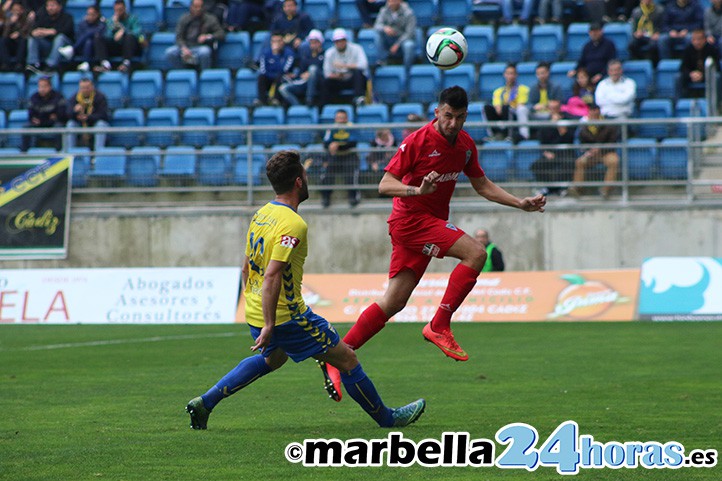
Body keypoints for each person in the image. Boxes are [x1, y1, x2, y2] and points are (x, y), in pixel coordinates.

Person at [319, 86, 546, 404]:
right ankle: (439, 325)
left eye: (459, 118)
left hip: (425, 224)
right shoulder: (417, 141)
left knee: (393, 302)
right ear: (437, 112)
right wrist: (417, 191)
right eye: (447, 116)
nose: (452, 123)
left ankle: (338, 356)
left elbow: (482, 185)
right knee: (475, 253)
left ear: (466, 117)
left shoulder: (465, 145)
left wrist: (519, 203)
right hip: (412, 221)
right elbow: (385, 184)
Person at [185, 150, 426, 430]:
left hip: (255, 308)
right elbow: (273, 274)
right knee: (347, 359)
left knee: (273, 359)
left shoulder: (262, 213)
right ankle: (388, 419)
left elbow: (246, 265)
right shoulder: (293, 224)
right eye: (306, 174)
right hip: (287, 317)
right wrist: (270, 324)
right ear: (299, 181)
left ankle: (205, 403)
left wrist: (257, 311)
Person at [570, 103, 619, 199]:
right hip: (591, 155)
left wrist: (600, 149)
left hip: (606, 153)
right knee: (580, 162)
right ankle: (577, 189)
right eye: (592, 113)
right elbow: (582, 143)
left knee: (614, 161)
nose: (594, 116)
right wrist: (589, 150)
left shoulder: (609, 126)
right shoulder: (583, 128)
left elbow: (613, 142)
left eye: (596, 114)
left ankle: (606, 190)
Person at [532, 99, 576, 196]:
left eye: (555, 108)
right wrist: (546, 152)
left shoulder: (567, 120)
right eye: (551, 108)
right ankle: (549, 188)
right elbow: (542, 141)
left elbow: (570, 139)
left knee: (567, 163)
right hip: (550, 152)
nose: (553, 110)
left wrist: (560, 126)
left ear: (559, 108)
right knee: (536, 165)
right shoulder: (545, 123)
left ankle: (561, 188)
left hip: (565, 151)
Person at [165, 0, 225, 70]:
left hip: (200, 47)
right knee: (170, 52)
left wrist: (207, 37)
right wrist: (183, 48)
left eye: (200, 7)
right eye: (195, 7)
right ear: (191, 7)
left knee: (205, 52)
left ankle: (204, 73)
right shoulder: (184, 19)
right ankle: (183, 72)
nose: (198, 9)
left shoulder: (210, 19)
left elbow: (221, 34)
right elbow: (179, 37)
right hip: (186, 46)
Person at [320, 109, 360, 208]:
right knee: (327, 174)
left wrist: (338, 145)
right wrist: (330, 146)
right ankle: (326, 197)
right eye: (339, 118)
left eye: (343, 118)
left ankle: (353, 197)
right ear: (335, 119)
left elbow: (353, 143)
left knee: (351, 175)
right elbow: (325, 143)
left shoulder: (351, 127)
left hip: (349, 155)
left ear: (346, 118)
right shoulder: (331, 128)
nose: (341, 120)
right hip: (335, 155)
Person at [483, 62, 530, 141]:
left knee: (507, 108)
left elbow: (520, 105)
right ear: (504, 75)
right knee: (486, 108)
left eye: (512, 74)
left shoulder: (523, 89)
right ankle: (493, 134)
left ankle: (508, 135)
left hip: (514, 115)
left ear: (516, 75)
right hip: (502, 113)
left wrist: (508, 105)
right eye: (508, 73)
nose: (510, 76)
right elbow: (497, 106)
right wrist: (499, 108)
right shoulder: (498, 91)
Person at [321, 28, 369, 106]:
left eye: (342, 40)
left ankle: (358, 99)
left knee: (358, 73)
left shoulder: (357, 48)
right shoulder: (329, 53)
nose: (340, 43)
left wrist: (344, 66)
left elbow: (363, 65)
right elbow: (327, 73)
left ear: (346, 40)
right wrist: (338, 76)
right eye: (337, 41)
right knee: (326, 82)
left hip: (352, 78)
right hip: (338, 79)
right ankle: (325, 105)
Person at [94, 0, 143, 73]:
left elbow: (137, 32)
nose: (118, 12)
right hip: (115, 46)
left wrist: (123, 30)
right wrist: (114, 27)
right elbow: (108, 35)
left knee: (129, 37)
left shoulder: (133, 19)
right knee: (98, 38)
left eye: (120, 10)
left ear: (125, 9)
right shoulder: (111, 20)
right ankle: (105, 64)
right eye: (116, 10)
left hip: (130, 47)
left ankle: (126, 64)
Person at [278, 28, 324, 106]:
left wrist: (311, 73)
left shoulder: (325, 54)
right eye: (311, 42)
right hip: (304, 82)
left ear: (320, 43)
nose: (313, 45)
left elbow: (325, 71)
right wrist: (297, 75)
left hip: (319, 82)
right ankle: (298, 106)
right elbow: (301, 72)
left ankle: (309, 99)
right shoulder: (306, 56)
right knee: (283, 88)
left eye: (315, 42)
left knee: (313, 69)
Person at [25, 0, 74, 73]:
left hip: (65, 48)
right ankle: (33, 64)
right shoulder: (42, 17)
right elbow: (34, 30)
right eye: (48, 6)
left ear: (59, 7)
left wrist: (52, 31)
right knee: (32, 38)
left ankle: (51, 65)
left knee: (60, 38)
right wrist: (35, 32)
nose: (50, 8)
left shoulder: (67, 17)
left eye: (53, 5)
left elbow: (66, 31)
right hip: (48, 45)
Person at [22, 76, 66, 151]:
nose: (42, 89)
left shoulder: (58, 97)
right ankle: (24, 151)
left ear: (50, 87)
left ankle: (59, 151)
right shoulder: (34, 98)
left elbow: (61, 115)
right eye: (40, 86)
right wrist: (35, 119)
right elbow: (31, 114)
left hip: (53, 123)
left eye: (45, 86)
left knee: (59, 127)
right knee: (26, 127)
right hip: (38, 123)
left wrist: (46, 118)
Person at [64, 77, 110, 151]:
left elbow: (103, 114)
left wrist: (88, 117)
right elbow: (67, 114)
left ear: (92, 87)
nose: (85, 90)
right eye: (82, 88)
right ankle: (70, 152)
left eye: (87, 87)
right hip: (79, 123)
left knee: (101, 125)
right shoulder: (74, 98)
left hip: (94, 123)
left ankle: (98, 153)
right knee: (70, 124)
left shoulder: (100, 97)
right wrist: (75, 111)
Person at [57, 5, 105, 72]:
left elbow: (99, 36)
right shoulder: (83, 24)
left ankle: (73, 49)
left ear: (97, 15)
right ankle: (83, 61)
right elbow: (78, 36)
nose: (90, 16)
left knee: (89, 39)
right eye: (88, 14)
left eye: (92, 14)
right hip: (81, 48)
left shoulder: (101, 24)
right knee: (87, 39)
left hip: (95, 50)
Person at [373, 0, 417, 70]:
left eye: (393, 1)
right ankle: (382, 61)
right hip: (389, 39)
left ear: (399, 1)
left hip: (403, 40)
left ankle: (407, 69)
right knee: (378, 35)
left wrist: (397, 44)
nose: (391, 3)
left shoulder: (408, 12)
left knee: (409, 45)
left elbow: (410, 33)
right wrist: (385, 28)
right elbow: (377, 25)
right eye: (389, 1)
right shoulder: (384, 10)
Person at [255, 31, 294, 106]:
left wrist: (276, 55)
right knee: (261, 77)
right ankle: (262, 100)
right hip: (269, 77)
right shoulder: (265, 53)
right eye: (273, 41)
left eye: (278, 41)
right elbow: (263, 70)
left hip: (282, 78)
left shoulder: (289, 53)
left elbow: (284, 70)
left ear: (283, 41)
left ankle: (276, 100)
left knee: (280, 77)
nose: (276, 43)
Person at [680, 28, 720, 97]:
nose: (697, 42)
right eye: (694, 40)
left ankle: (716, 100)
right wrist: (691, 74)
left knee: (717, 77)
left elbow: (717, 67)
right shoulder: (688, 50)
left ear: (704, 40)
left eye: (699, 40)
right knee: (679, 77)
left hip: (707, 76)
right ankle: (681, 100)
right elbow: (683, 67)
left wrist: (703, 75)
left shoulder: (712, 49)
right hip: (692, 76)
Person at [629, 0, 665, 65]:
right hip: (642, 35)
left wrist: (658, 33)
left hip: (653, 35)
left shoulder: (660, 10)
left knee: (653, 46)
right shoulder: (636, 12)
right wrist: (636, 32)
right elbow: (634, 27)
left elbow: (663, 25)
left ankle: (653, 64)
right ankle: (639, 62)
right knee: (632, 44)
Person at [0, 1, 31, 71]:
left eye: (18, 10)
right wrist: (10, 23)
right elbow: (5, 34)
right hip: (11, 43)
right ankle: (5, 64)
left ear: (22, 10)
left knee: (23, 40)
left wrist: (19, 33)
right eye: (14, 10)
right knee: (2, 40)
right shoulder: (8, 19)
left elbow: (28, 32)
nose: (16, 12)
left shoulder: (27, 18)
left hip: (21, 43)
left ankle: (19, 64)